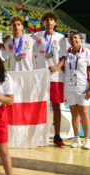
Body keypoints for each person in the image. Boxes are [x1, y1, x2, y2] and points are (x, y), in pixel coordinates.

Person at [32, 11, 67, 147]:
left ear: (55, 23)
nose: (49, 22)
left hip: (56, 77)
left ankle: (57, 135)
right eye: (46, 20)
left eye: (51, 20)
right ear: (43, 23)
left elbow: (63, 57)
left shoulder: (61, 38)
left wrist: (57, 67)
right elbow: (21, 38)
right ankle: (40, 134)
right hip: (41, 77)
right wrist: (6, 39)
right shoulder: (36, 36)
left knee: (57, 106)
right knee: (40, 106)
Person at [64, 31, 90, 150]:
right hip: (69, 88)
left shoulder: (86, 52)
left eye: (75, 38)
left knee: (84, 113)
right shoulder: (66, 54)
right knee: (74, 114)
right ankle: (76, 138)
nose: (73, 41)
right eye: (71, 39)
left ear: (80, 39)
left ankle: (87, 139)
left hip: (83, 87)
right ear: (69, 41)